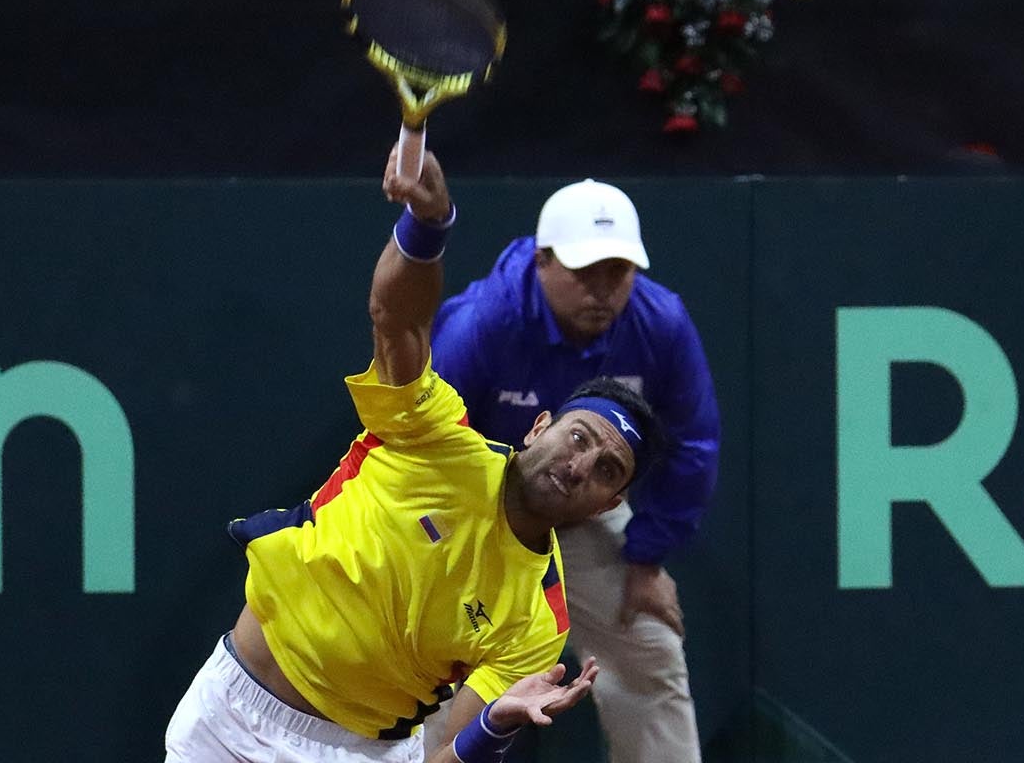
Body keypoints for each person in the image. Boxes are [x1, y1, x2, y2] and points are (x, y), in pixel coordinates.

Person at [163, 148, 665, 763]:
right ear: (539, 427)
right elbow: (395, 320)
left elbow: (443, 756)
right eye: (579, 437)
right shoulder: (435, 435)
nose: (581, 464)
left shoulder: (539, 619)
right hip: (228, 716)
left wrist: (494, 725)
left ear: (608, 504)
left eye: (607, 471)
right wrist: (427, 228)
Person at [426, 179, 720, 763]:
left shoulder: (660, 323)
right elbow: (427, 443)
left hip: (584, 515)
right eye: (586, 272)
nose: (603, 290)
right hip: (473, 511)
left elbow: (693, 443)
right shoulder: (482, 323)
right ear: (543, 260)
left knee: (650, 646)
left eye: (619, 272)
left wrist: (645, 559)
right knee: (435, 667)